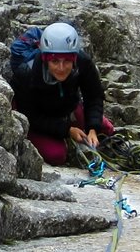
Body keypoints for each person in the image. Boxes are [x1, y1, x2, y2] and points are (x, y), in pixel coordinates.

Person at [7, 21, 114, 166]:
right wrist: (67, 130)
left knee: (106, 128)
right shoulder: (27, 73)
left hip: (67, 106)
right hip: (38, 118)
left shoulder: (83, 63)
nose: (61, 68)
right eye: (55, 61)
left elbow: (93, 96)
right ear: (45, 59)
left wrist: (93, 129)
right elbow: (30, 116)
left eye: (67, 61)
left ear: (74, 59)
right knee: (56, 155)